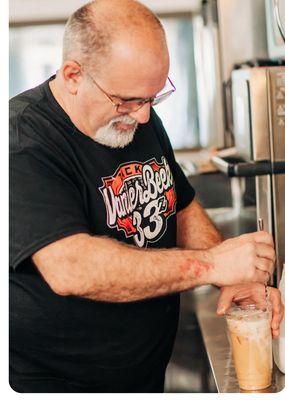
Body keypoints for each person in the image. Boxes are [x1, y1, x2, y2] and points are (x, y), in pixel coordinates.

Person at [9, 0, 283, 393]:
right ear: (73, 75)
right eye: (128, 101)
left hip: (145, 372)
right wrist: (212, 266)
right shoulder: (22, 140)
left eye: (153, 98)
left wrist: (234, 279)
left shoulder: (136, 115)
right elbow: (71, 268)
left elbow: (180, 204)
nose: (142, 116)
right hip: (61, 383)